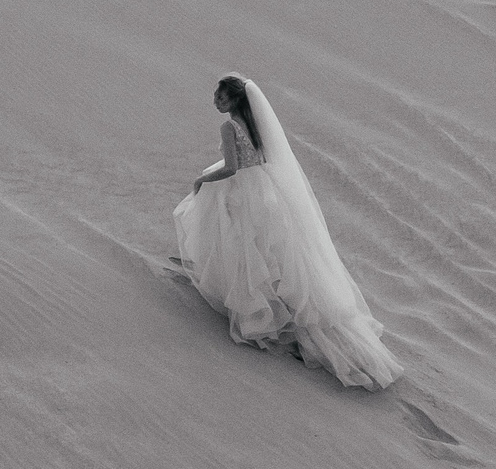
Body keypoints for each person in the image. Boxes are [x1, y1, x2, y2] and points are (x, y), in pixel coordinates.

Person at [172, 75, 403, 390]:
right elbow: (259, 159)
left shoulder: (229, 127)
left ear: (234, 101)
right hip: (265, 192)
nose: (216, 100)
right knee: (270, 255)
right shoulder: (254, 125)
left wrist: (202, 181)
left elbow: (231, 168)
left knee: (247, 252)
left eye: (222, 97)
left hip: (244, 193)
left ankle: (260, 316)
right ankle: (286, 314)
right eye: (216, 95)